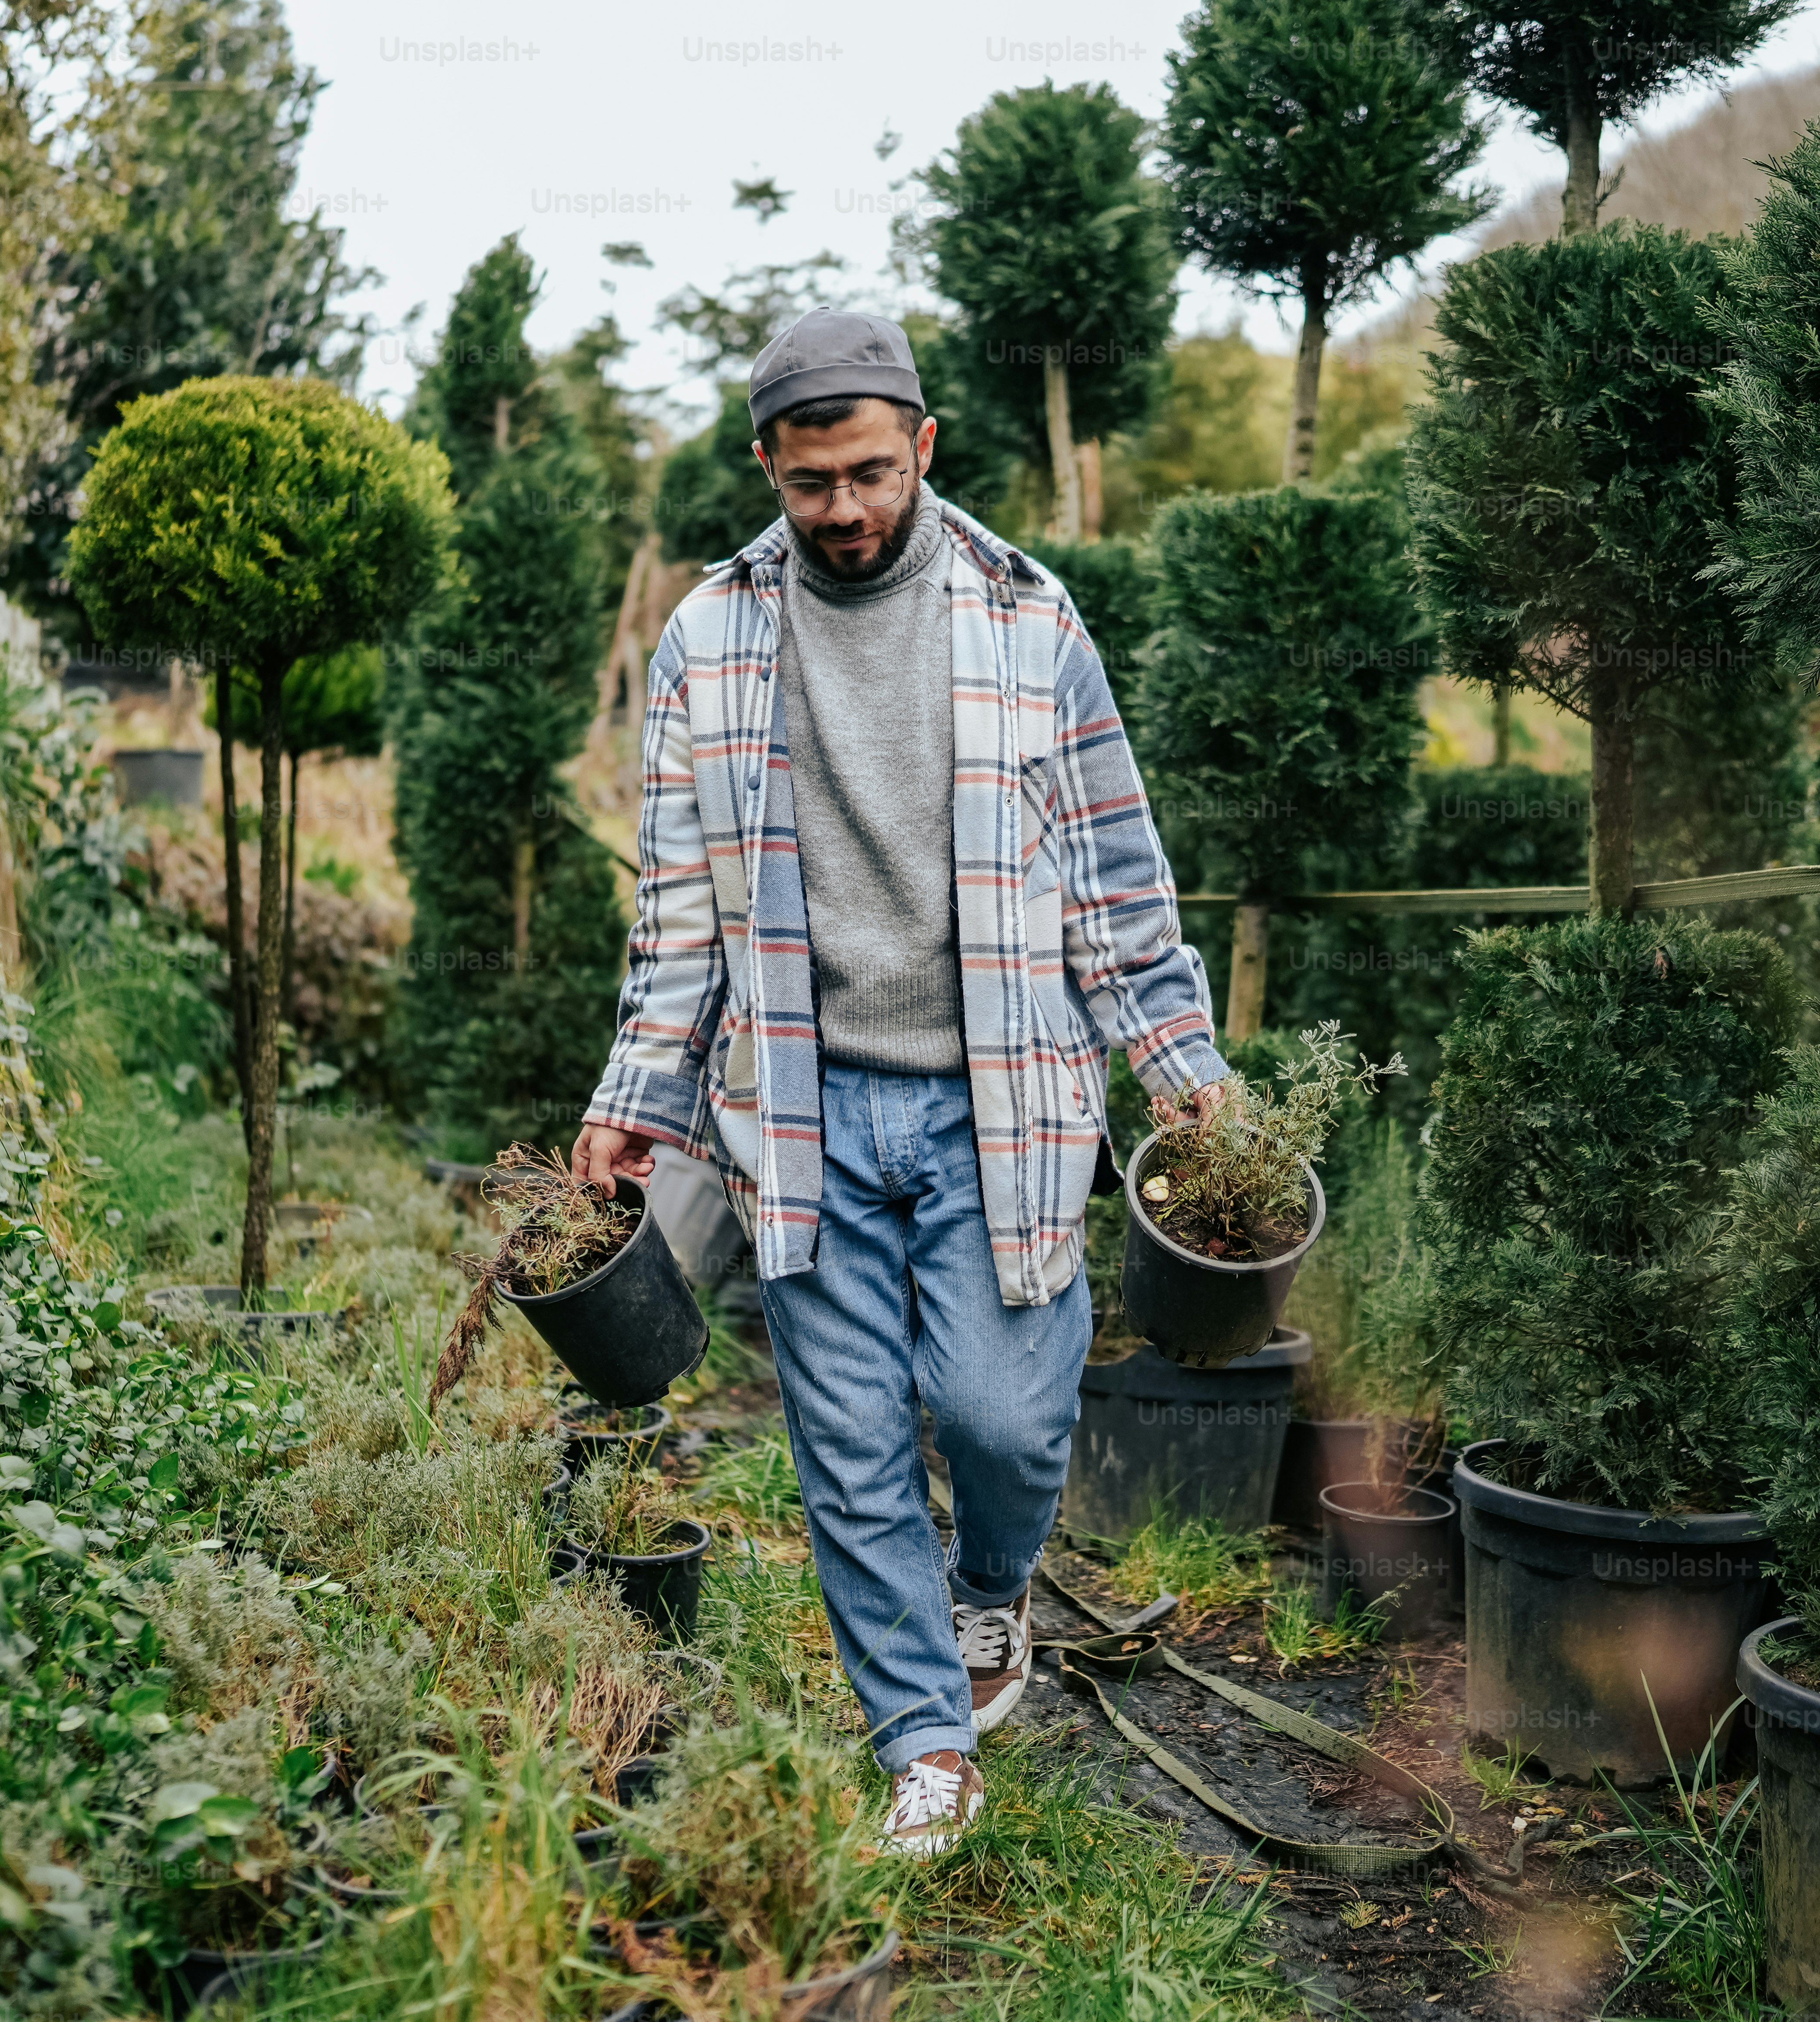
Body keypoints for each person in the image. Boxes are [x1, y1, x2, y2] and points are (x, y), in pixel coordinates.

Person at [572, 309, 1227, 1856]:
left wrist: (1184, 1071)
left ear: (925, 449)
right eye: (813, 486)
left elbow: (1117, 881)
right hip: (797, 1110)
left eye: (873, 474)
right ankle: (925, 1749)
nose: (848, 511)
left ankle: (993, 1595)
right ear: (767, 469)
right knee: (853, 1445)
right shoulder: (707, 641)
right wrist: (635, 1102)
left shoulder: (1027, 616)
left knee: (999, 1417)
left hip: (998, 1098)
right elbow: (679, 918)